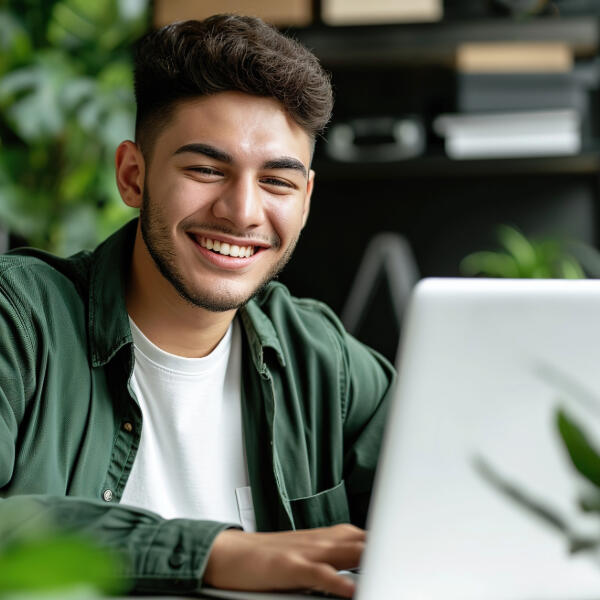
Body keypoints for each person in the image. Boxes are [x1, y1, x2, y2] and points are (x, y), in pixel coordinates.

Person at [0, 14, 395, 598]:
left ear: (306, 200)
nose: (242, 212)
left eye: (277, 182)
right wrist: (212, 552)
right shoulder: (21, 320)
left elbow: (460, 499)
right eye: (206, 170)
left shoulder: (321, 358)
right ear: (133, 177)